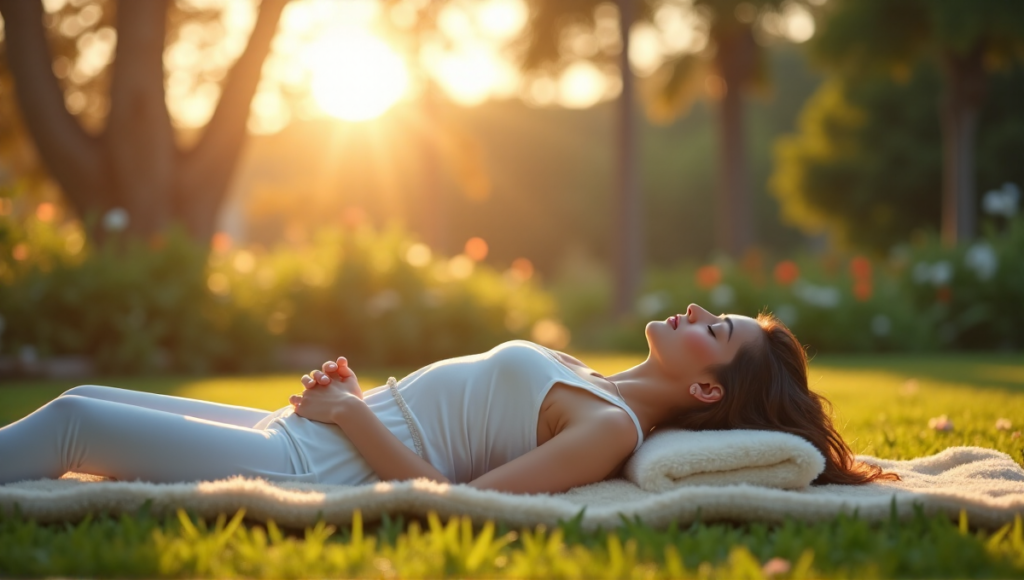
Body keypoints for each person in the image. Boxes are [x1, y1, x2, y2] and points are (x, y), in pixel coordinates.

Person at [0, 304, 896, 492]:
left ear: (706, 385)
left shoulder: (605, 427)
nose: (698, 310)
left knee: (76, 421)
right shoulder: (584, 374)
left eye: (717, 329)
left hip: (314, 466)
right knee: (81, 398)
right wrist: (354, 397)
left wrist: (351, 418)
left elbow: (453, 505)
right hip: (305, 431)